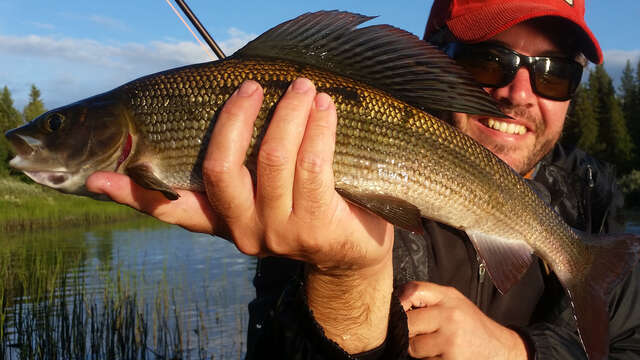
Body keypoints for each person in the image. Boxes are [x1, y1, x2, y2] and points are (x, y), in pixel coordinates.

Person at [85, 0, 640, 358]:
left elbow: (625, 343)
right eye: (487, 61)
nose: (518, 94)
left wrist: (518, 353)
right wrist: (346, 274)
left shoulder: (589, 195)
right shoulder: (317, 172)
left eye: (555, 74)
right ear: (431, 57)